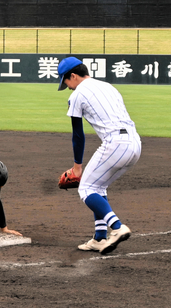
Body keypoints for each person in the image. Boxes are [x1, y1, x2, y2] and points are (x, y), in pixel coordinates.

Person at [57, 57, 141, 254]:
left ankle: (118, 227)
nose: (67, 87)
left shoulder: (78, 95)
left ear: (74, 76)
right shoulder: (108, 86)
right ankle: (99, 238)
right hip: (135, 143)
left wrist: (77, 167)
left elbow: (78, 135)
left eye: (66, 82)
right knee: (98, 186)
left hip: (115, 144)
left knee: (86, 189)